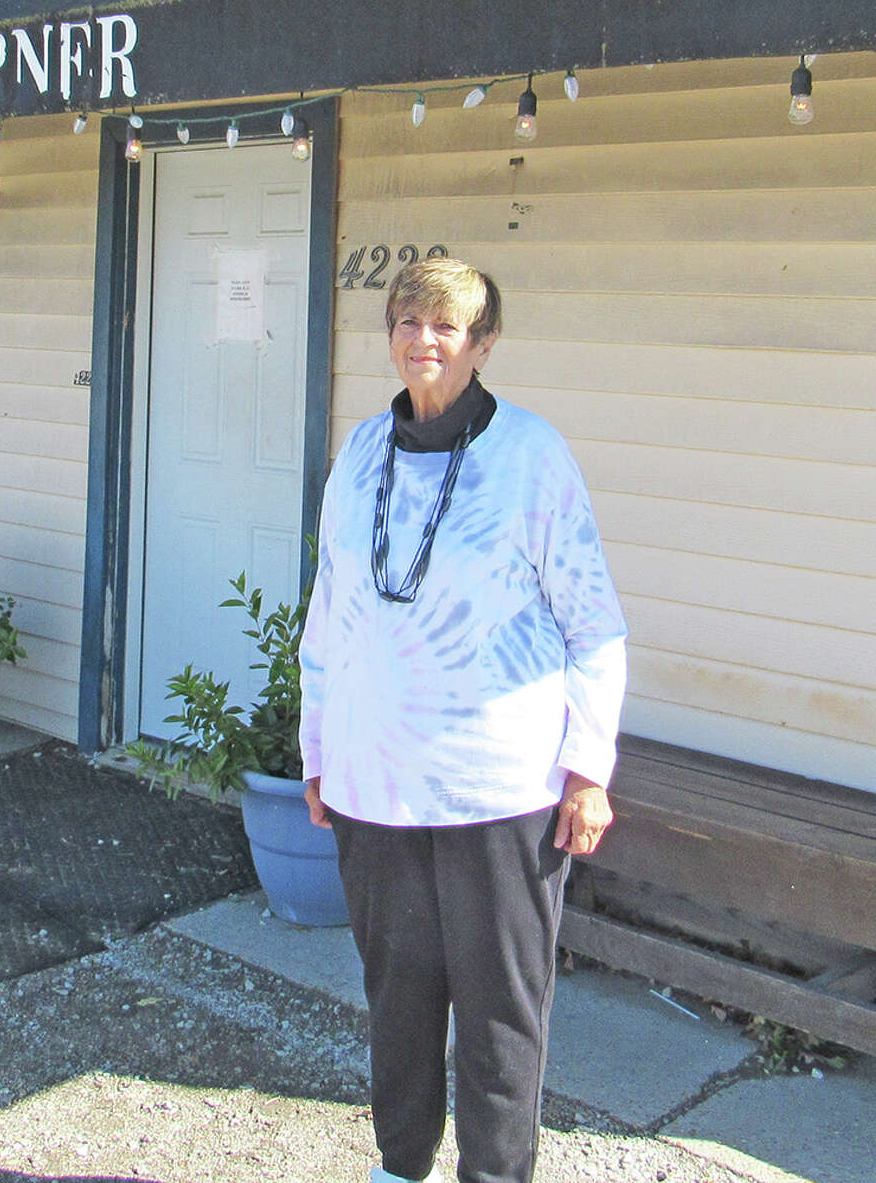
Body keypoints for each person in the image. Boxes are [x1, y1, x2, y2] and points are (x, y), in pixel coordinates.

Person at [299, 258, 628, 1183]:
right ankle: (399, 1167)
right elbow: (328, 615)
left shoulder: (531, 456)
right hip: (376, 785)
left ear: (483, 343)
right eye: (408, 321)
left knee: (499, 1015)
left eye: (446, 325)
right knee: (398, 1003)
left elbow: (593, 624)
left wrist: (588, 770)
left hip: (500, 792)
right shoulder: (360, 452)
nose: (424, 340)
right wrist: (319, 751)